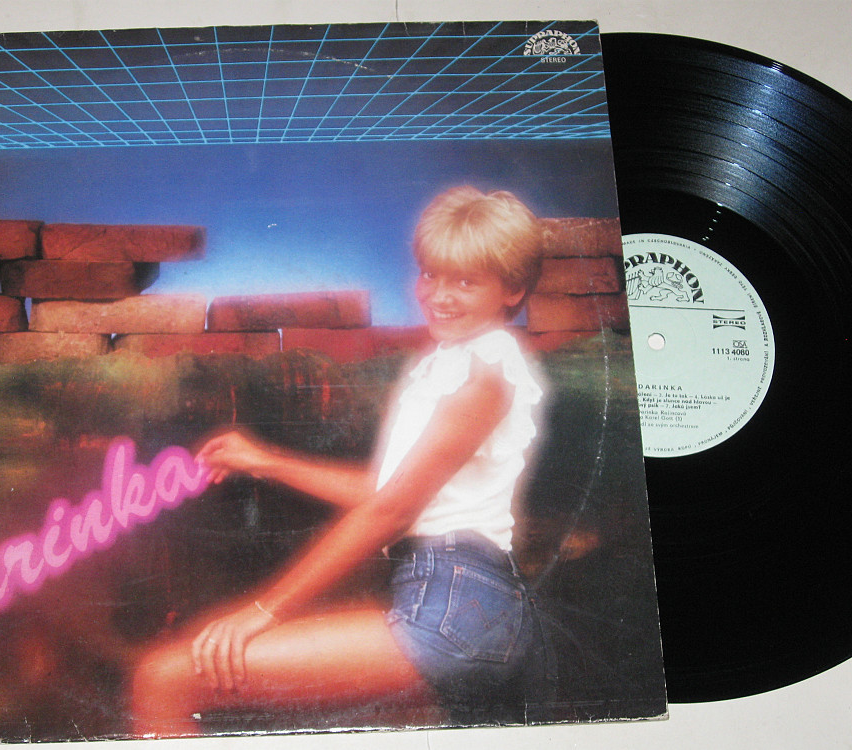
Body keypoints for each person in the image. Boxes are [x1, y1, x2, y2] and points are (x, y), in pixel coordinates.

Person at [129, 186, 552, 736]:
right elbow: (386, 493)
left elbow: (392, 511)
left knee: (164, 678)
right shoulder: (456, 363)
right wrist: (265, 461)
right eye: (431, 275)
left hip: (453, 604)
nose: (438, 296)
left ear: (513, 288)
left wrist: (262, 611)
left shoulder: (484, 373)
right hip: (454, 599)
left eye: (466, 281)